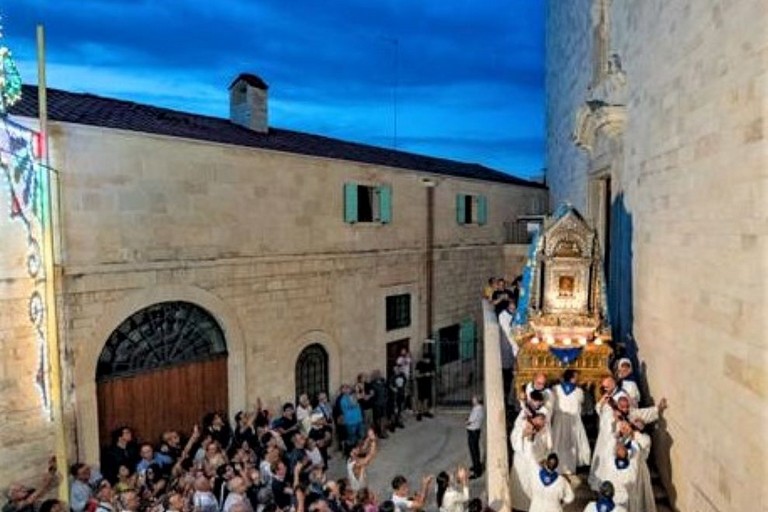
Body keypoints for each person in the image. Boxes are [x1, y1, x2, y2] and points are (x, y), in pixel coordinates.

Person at [551, 370, 591, 474]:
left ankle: (557, 467)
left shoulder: (555, 389)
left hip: (559, 419)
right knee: (572, 443)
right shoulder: (579, 391)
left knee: (558, 442)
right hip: (573, 419)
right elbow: (581, 401)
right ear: (573, 378)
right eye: (576, 377)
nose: (577, 379)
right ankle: (570, 467)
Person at [497, 300, 518, 404]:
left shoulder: (517, 314)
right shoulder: (503, 316)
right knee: (506, 372)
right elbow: (508, 331)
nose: (513, 310)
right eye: (511, 308)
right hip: (508, 345)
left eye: (514, 308)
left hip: (514, 347)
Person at [465, 395, 484, 479]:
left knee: (474, 452)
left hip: (473, 432)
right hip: (476, 431)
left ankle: (477, 472)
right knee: (476, 450)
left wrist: (466, 421)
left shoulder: (477, 409)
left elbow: (470, 421)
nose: (472, 400)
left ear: (477, 400)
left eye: (474, 399)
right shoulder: (479, 408)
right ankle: (476, 465)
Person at [414, 354, 435, 421]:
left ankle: (426, 411)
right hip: (421, 384)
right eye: (427, 360)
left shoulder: (431, 363)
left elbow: (434, 373)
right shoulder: (419, 364)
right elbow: (417, 375)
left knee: (427, 398)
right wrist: (424, 374)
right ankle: (419, 413)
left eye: (429, 360)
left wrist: (431, 374)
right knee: (420, 399)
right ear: (424, 359)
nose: (428, 361)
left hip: (428, 383)